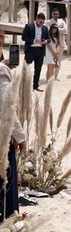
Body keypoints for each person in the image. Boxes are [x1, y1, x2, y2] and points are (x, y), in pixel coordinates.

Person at [0, 63, 26, 222]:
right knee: (6, 186)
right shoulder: (1, 70)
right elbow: (6, 105)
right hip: (2, 139)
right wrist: (20, 135)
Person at [22, 13, 49, 90]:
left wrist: (46, 41)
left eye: (43, 22)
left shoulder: (45, 28)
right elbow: (23, 37)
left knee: (38, 69)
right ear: (36, 19)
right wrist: (34, 40)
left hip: (40, 51)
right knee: (27, 69)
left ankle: (35, 86)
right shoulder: (29, 26)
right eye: (40, 22)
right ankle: (24, 86)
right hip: (30, 50)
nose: (41, 24)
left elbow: (49, 39)